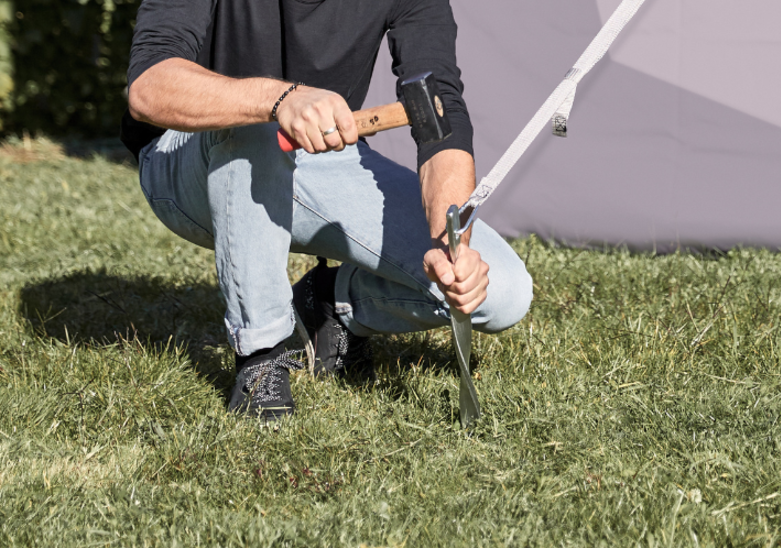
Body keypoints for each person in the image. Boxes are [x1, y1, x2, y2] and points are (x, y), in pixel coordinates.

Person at [122, 0, 533, 420]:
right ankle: (261, 353)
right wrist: (280, 98)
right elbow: (149, 87)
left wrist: (451, 245)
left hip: (323, 157)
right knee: (257, 129)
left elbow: (439, 109)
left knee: (502, 293)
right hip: (188, 160)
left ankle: (329, 304)